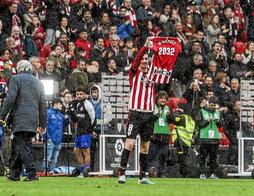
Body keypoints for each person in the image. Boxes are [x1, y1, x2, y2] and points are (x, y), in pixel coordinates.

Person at [0, 60, 47, 182]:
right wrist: (42, 123)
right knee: (19, 145)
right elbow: (43, 104)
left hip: (20, 117)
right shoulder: (38, 82)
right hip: (33, 119)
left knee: (22, 146)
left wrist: (2, 115)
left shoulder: (16, 79)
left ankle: (32, 173)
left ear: (19, 68)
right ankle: (15, 174)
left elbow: (10, 99)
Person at [118, 37, 156, 184]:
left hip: (149, 114)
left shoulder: (153, 74)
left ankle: (143, 177)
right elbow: (137, 59)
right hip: (136, 113)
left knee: (145, 146)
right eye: (143, 59)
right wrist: (145, 48)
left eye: (147, 59)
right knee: (129, 144)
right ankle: (122, 173)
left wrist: (158, 49)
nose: (145, 61)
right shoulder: (134, 73)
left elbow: (161, 64)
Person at [69, 86, 95, 177]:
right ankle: (81, 171)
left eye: (81, 94)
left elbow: (93, 118)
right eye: (77, 94)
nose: (79, 96)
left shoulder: (88, 104)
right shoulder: (75, 104)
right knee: (76, 152)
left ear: (85, 95)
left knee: (86, 151)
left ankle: (86, 172)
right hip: (79, 131)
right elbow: (75, 119)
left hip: (86, 131)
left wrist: (90, 130)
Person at [41, 98, 70, 173]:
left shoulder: (60, 115)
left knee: (54, 159)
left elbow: (65, 123)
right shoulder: (48, 113)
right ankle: (44, 173)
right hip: (50, 140)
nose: (61, 106)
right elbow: (44, 126)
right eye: (60, 104)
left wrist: (67, 118)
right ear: (56, 104)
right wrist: (47, 137)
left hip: (58, 140)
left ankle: (52, 173)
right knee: (47, 158)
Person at [196, 96, 222, 179]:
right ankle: (202, 173)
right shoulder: (202, 111)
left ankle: (213, 174)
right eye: (211, 105)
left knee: (213, 158)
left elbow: (222, 124)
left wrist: (219, 122)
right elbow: (198, 124)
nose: (213, 107)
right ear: (208, 103)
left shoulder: (218, 112)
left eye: (214, 106)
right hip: (204, 137)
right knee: (203, 157)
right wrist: (206, 121)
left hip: (215, 138)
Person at [88, 84, 112, 171]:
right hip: (91, 130)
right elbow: (86, 118)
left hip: (102, 131)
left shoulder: (105, 103)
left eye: (96, 92)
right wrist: (90, 129)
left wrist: (98, 122)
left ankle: (108, 169)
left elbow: (109, 117)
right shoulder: (88, 103)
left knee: (105, 151)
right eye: (93, 92)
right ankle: (90, 170)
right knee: (91, 152)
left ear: (99, 92)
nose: (94, 94)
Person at [148, 91, 171, 178]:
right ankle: (151, 171)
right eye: (161, 98)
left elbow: (171, 121)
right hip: (155, 133)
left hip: (165, 133)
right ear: (157, 99)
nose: (163, 100)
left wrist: (170, 116)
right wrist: (157, 115)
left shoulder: (168, 108)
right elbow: (150, 120)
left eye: (165, 98)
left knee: (164, 154)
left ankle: (162, 172)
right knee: (152, 153)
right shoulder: (152, 108)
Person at [171, 102, 195, 177]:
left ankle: (182, 174)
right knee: (183, 158)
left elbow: (172, 119)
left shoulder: (182, 117)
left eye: (179, 108)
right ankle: (185, 173)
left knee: (181, 158)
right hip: (187, 141)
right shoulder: (191, 119)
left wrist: (178, 112)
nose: (177, 109)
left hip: (180, 139)